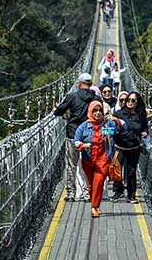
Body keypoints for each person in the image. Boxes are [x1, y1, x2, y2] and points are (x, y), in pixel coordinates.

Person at [74, 101, 125, 217]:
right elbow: (76, 140)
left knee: (99, 182)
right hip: (88, 161)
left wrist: (115, 119)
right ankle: (96, 205)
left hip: (103, 160)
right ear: (90, 112)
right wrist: (83, 145)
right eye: (95, 110)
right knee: (92, 185)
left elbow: (123, 126)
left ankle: (93, 207)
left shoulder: (106, 126)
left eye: (99, 110)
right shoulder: (84, 126)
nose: (97, 113)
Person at [52, 73, 98, 201]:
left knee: (71, 164)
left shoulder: (72, 96)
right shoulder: (96, 99)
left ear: (79, 83)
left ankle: (71, 193)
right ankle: (87, 193)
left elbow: (59, 111)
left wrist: (57, 109)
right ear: (91, 84)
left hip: (73, 134)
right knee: (87, 165)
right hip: (90, 136)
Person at [114, 92, 152, 203]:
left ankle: (131, 195)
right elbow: (110, 129)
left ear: (137, 103)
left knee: (131, 172)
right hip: (119, 147)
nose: (130, 102)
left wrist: (145, 132)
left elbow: (144, 128)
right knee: (117, 170)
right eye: (128, 100)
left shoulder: (141, 116)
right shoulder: (118, 114)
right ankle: (118, 192)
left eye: (133, 100)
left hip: (134, 148)